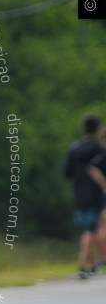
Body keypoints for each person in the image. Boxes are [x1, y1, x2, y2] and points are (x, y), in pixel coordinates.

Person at [64, 114, 106, 278]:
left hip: (78, 193)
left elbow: (67, 173)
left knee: (86, 230)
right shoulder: (99, 149)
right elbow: (96, 168)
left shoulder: (74, 148)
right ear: (97, 129)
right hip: (94, 196)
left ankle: (92, 265)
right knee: (90, 231)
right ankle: (82, 267)